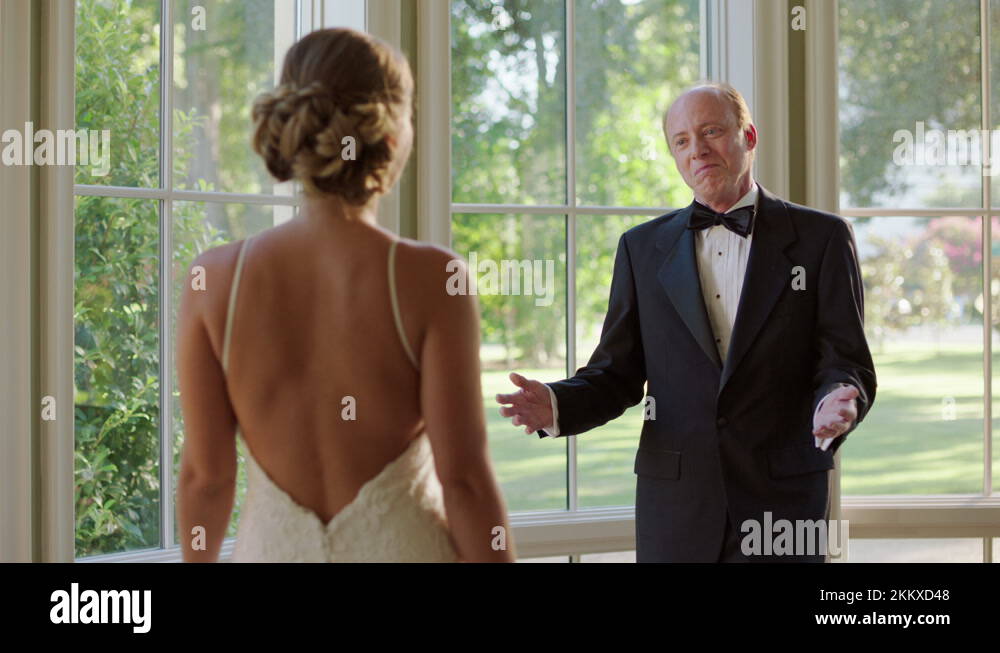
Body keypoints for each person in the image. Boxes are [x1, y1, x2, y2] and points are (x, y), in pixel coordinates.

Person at [496, 82, 876, 562]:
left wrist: (839, 398)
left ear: (749, 137)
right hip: (675, 508)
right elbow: (616, 373)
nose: (697, 149)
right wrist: (556, 403)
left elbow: (846, 360)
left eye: (711, 131)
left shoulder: (823, 238)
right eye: (681, 140)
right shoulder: (640, 248)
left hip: (783, 506)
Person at [176, 28, 513, 562]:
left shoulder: (213, 281)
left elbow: (205, 479)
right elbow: (465, 481)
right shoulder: (434, 280)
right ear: (392, 135)